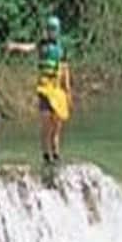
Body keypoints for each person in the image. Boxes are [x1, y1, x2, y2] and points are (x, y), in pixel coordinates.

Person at [34, 14, 72, 165]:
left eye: (54, 29)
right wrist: (15, 46)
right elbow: (30, 47)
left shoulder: (61, 49)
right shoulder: (42, 46)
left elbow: (65, 71)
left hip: (57, 92)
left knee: (56, 127)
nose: (51, 32)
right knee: (46, 125)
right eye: (50, 29)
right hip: (44, 91)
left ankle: (56, 155)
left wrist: (68, 93)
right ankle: (46, 156)